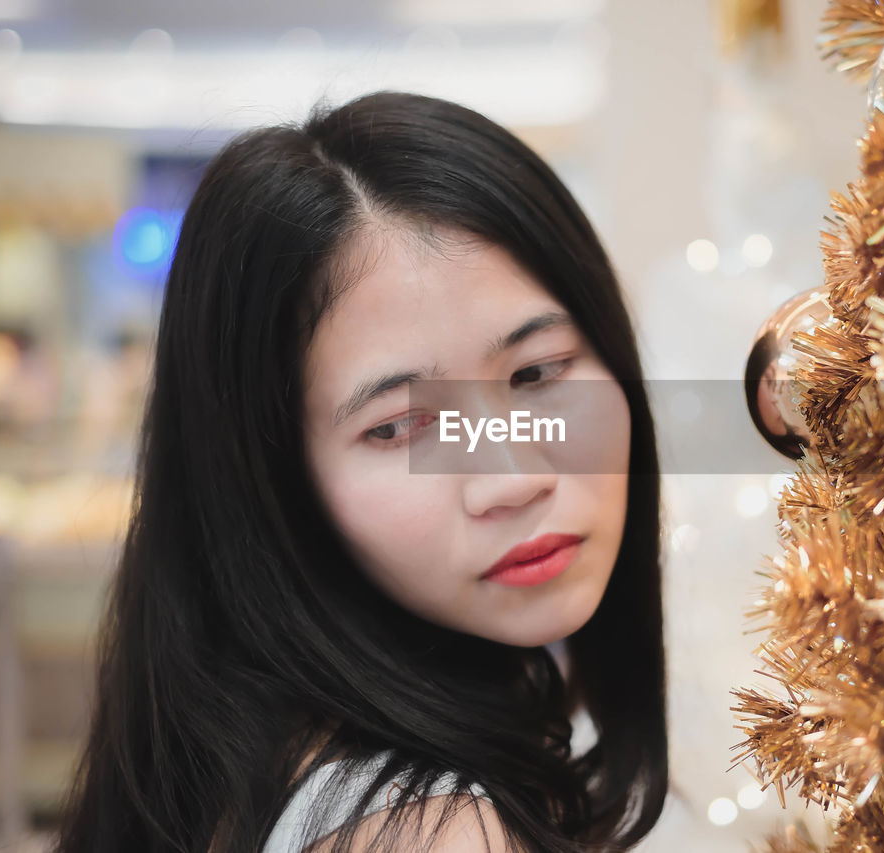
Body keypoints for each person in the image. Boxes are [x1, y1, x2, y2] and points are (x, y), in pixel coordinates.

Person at [53, 91, 667, 853]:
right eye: (400, 425)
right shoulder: (428, 830)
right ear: (277, 484)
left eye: (538, 374)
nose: (509, 477)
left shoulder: (254, 749)